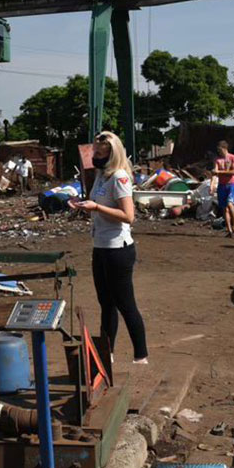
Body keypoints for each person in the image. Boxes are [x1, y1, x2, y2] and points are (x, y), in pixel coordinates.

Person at [68, 131, 148, 364]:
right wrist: (81, 206)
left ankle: (140, 355)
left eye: (100, 152)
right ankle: (107, 353)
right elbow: (98, 205)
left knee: (125, 303)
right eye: (95, 150)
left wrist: (96, 208)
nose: (96, 155)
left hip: (118, 249)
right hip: (100, 245)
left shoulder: (120, 177)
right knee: (106, 303)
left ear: (111, 153)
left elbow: (128, 216)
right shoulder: (102, 176)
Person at [212, 140, 234, 237]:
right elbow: (214, 172)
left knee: (230, 204)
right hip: (221, 185)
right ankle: (229, 229)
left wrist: (219, 172)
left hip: (231, 184)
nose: (219, 151)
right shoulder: (218, 160)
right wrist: (212, 185)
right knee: (224, 208)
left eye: (219, 149)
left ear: (224, 148)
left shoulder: (233, 157)